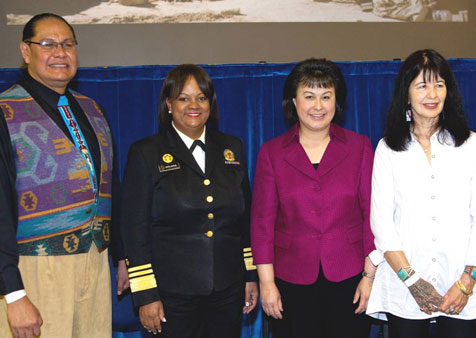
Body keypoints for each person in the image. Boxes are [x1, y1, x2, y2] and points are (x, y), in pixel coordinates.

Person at [0, 13, 126, 338]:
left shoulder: (93, 110)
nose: (61, 52)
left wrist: (122, 256)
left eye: (68, 44)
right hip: (33, 271)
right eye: (48, 44)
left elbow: (114, 192)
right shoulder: (4, 112)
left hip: (95, 264)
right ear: (26, 52)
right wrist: (12, 293)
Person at [121, 64, 258, 337]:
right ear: (169, 104)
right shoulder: (146, 153)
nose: (193, 105)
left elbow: (245, 220)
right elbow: (134, 231)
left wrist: (250, 275)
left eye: (201, 97)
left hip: (227, 290)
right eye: (183, 98)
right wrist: (146, 294)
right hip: (171, 295)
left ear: (211, 104)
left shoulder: (232, 148)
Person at [250, 58, 377, 338]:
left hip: (350, 277)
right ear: (294, 102)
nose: (318, 106)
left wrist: (370, 278)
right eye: (309, 96)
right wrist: (266, 283)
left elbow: (372, 217)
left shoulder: (360, 147)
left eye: (326, 97)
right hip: (290, 280)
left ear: (337, 102)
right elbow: (262, 223)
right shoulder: (272, 153)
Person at [367, 49, 476, 337]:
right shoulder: (388, 148)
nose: (432, 94)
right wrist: (412, 280)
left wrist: (467, 281)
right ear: (406, 94)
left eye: (439, 84)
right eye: (422, 85)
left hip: (464, 286)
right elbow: (381, 223)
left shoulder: (470, 144)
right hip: (404, 288)